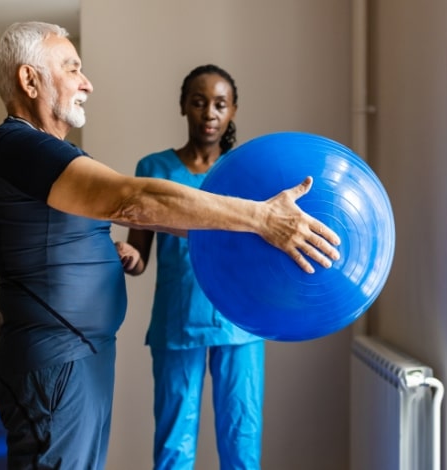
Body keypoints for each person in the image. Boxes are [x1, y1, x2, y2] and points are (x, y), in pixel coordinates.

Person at [0, 22, 340, 469]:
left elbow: (150, 222)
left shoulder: (49, 155)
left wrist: (260, 231)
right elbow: (135, 201)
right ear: (30, 80)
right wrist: (260, 218)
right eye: (72, 68)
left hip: (78, 354)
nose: (87, 82)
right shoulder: (20, 147)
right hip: (56, 358)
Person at [122, 64, 263, 470]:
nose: (209, 113)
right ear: (184, 106)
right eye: (199, 103)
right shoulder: (153, 169)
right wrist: (126, 259)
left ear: (233, 110)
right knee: (173, 446)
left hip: (240, 325)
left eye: (220, 104)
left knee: (242, 440)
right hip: (177, 321)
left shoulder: (246, 171)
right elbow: (140, 257)